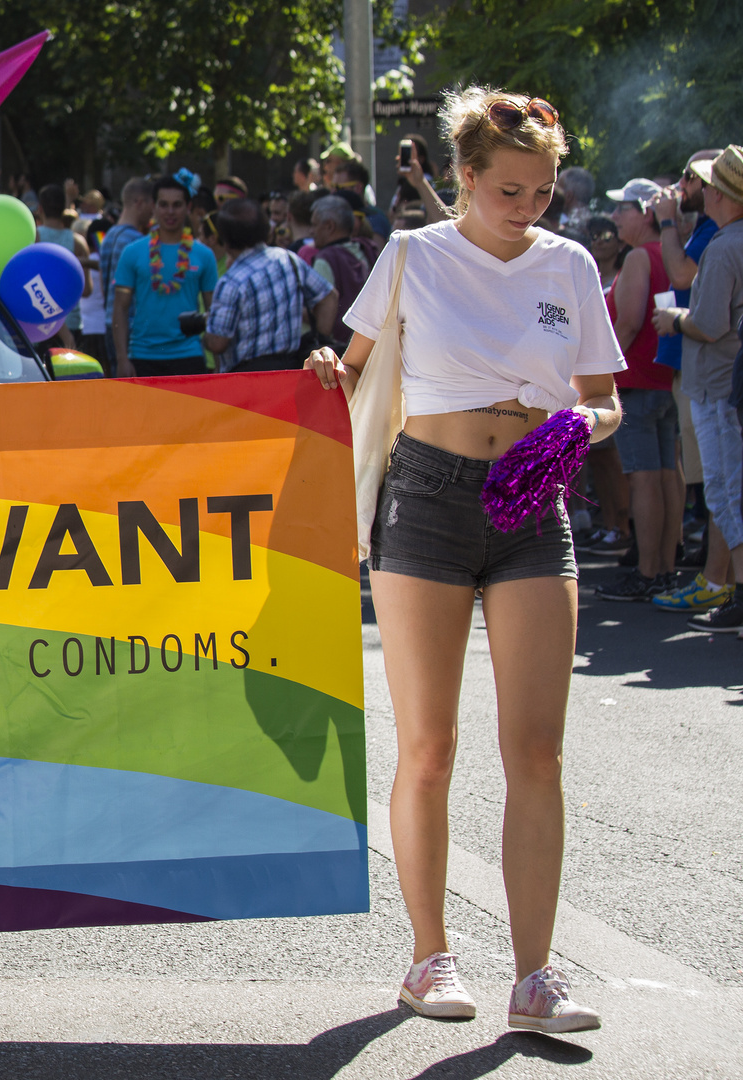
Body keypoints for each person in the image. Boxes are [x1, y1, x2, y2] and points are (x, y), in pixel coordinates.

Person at [307, 87, 623, 1034]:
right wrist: (330, 371)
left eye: (542, 194)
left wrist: (573, 435)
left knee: (536, 749)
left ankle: (535, 978)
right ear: (465, 179)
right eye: (509, 192)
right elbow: (354, 367)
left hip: (536, 497)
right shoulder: (412, 256)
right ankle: (427, 958)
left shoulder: (568, 265)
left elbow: (602, 397)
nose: (528, 210)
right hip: (428, 497)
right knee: (429, 748)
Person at [651, 145, 743, 634]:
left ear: (722, 193)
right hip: (728, 381)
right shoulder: (727, 240)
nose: (698, 190)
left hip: (717, 385)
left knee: (728, 493)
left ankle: (733, 593)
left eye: (705, 183)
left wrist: (675, 317)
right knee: (728, 491)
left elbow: (709, 323)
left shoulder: (726, 245)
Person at [591, 184, 684, 600]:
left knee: (644, 478)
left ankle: (648, 573)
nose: (614, 219)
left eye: (622, 210)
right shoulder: (670, 253)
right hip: (663, 380)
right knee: (666, 474)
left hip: (639, 383)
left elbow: (627, 324)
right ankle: (663, 568)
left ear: (644, 212)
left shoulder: (641, 258)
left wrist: (599, 376)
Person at [202, 198, 335, 372]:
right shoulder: (288, 259)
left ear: (225, 240)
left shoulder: (231, 282)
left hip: (247, 380)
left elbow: (218, 343)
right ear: (267, 230)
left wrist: (207, 327)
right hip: (289, 373)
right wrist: (321, 341)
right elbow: (330, 298)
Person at [109, 175, 218, 378]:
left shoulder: (204, 254)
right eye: (164, 204)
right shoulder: (132, 252)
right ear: (154, 206)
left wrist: (219, 365)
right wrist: (122, 358)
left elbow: (214, 312)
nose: (170, 212)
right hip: (142, 356)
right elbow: (120, 308)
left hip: (189, 355)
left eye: (177, 205)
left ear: (188, 207)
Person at [306, 195, 383, 347]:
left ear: (329, 226)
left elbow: (322, 311)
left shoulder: (325, 260)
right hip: (372, 344)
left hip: (341, 351)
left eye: (314, 225)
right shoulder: (369, 249)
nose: (311, 231)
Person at [98, 177, 153, 335]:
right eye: (152, 204)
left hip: (109, 321)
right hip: (129, 323)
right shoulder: (136, 241)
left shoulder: (109, 235)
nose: (153, 211)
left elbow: (104, 284)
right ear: (140, 202)